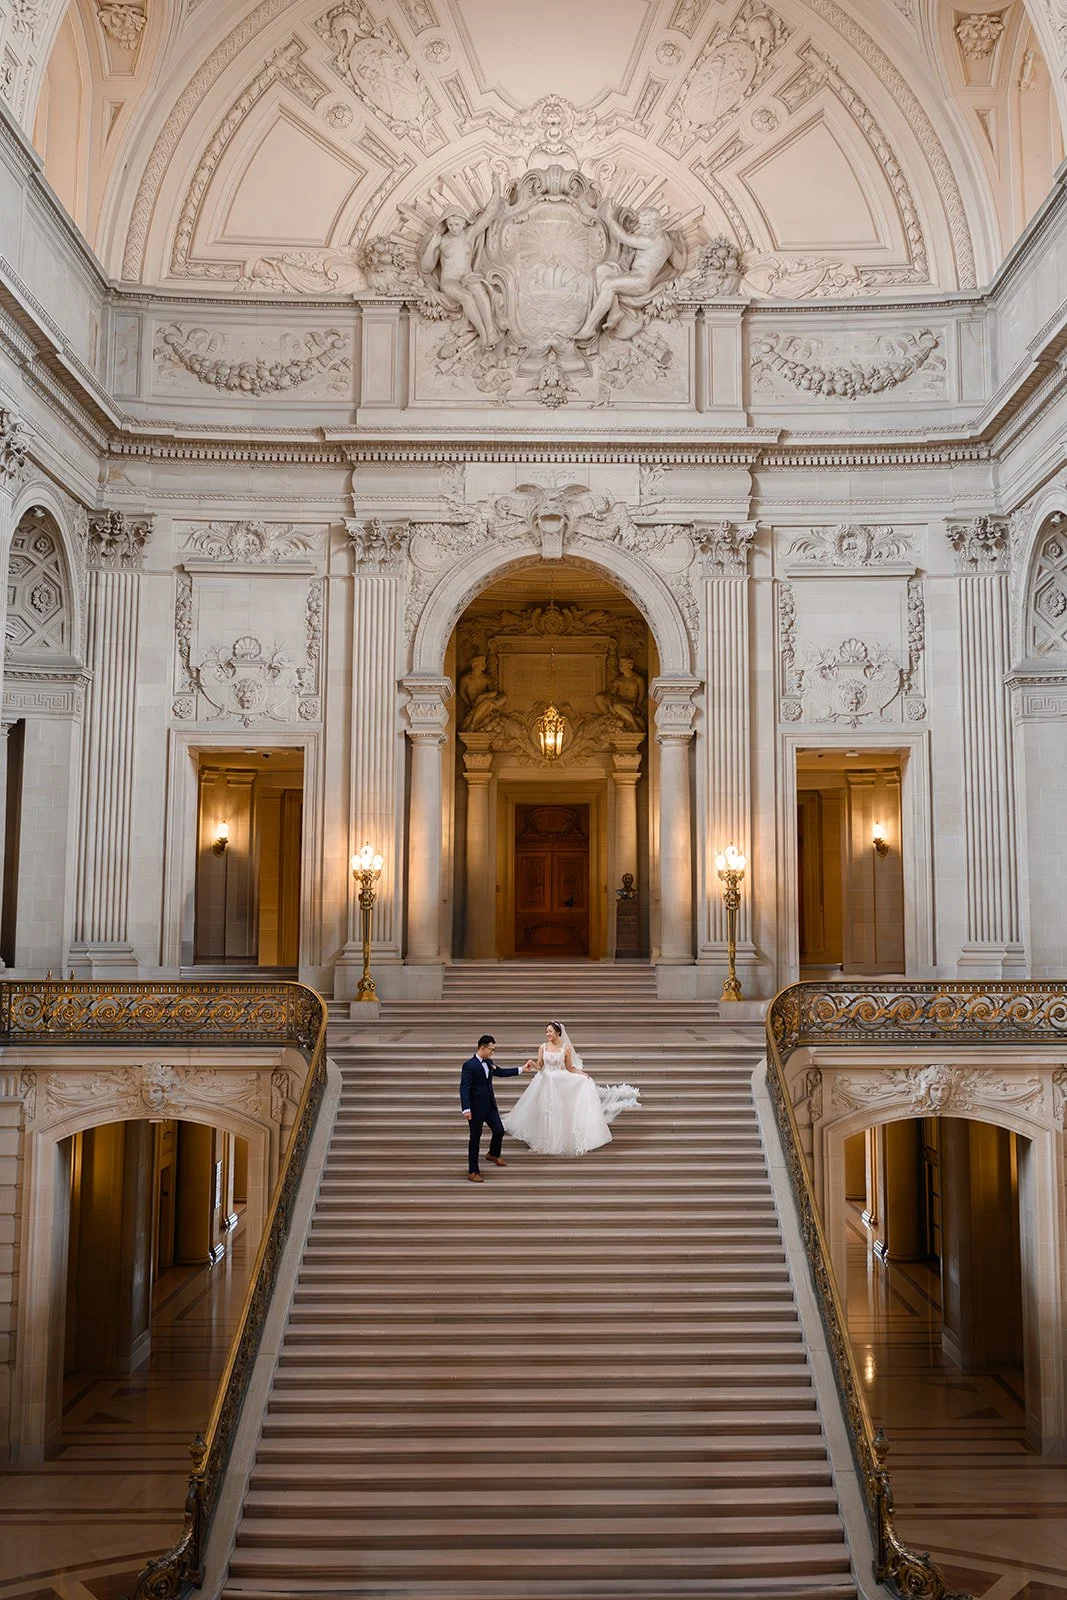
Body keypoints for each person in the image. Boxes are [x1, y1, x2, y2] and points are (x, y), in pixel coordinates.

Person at [503, 1021, 640, 1157]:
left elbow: (569, 1068)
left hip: (560, 1083)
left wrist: (582, 1075)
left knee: (559, 1111)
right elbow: (540, 1066)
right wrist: (532, 1064)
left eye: (550, 1031)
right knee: (545, 1110)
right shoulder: (543, 1047)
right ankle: (544, 1141)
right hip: (545, 1082)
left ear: (558, 1032)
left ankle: (557, 1141)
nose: (547, 1034)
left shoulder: (565, 1048)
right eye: (547, 1031)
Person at [459, 1034, 531, 1183]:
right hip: (475, 1109)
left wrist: (521, 1069)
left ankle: (493, 1153)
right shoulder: (469, 1065)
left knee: (499, 1130)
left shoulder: (489, 1062)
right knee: (475, 1139)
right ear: (483, 1048)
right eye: (491, 1050)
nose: (492, 1052)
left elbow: (501, 1072)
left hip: (490, 1106)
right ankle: (473, 1171)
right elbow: (464, 1089)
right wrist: (466, 1108)